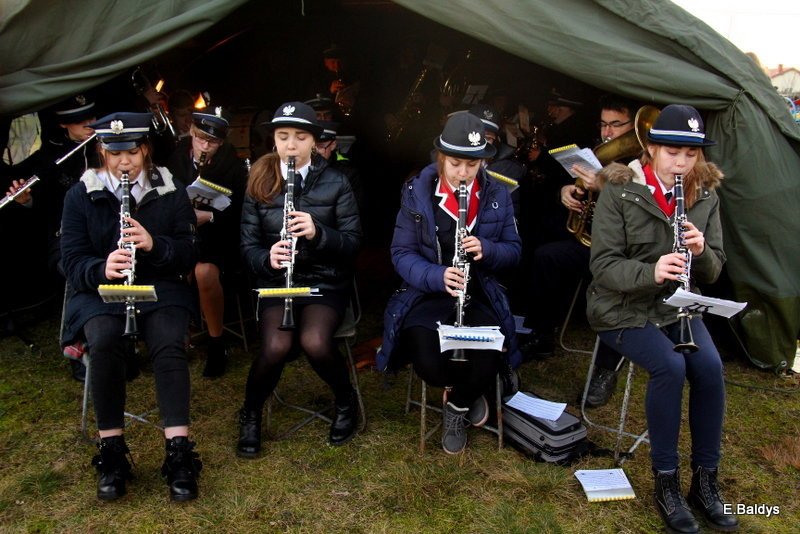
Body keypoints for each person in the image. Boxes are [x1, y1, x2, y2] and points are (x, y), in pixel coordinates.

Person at [589, 104, 738, 533]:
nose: (681, 163)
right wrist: (651, 272)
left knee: (709, 368)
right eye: (673, 152)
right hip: (620, 307)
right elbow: (603, 267)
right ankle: (666, 483)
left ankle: (705, 482)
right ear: (652, 148)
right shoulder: (620, 190)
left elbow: (714, 270)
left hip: (677, 306)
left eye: (691, 154)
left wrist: (700, 251)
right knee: (670, 366)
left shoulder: (705, 194)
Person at [59, 112, 202, 502]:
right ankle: (112, 452)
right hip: (102, 290)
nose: (125, 162)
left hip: (160, 286)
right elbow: (69, 260)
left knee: (169, 341)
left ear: (145, 150)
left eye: (133, 153)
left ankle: (179, 453)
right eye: (115, 154)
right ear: (101, 151)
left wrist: (155, 245)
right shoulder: (81, 194)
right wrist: (101, 267)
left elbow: (190, 251)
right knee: (104, 341)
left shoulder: (170, 188)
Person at [376, 112, 522, 455]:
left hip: (479, 292)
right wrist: (437, 275)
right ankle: (469, 389)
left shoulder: (498, 193)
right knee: (429, 363)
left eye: (473, 165)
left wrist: (487, 249)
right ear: (441, 157)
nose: (463, 173)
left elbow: (514, 251)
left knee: (487, 356)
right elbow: (401, 253)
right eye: (456, 164)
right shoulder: (416, 192)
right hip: (427, 294)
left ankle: (458, 406)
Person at [238, 101, 362, 456]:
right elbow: (247, 247)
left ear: (314, 141)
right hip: (278, 282)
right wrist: (268, 258)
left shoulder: (337, 181)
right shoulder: (260, 179)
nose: (290, 145)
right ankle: (250, 413)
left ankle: (346, 401)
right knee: (276, 346)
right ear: (274, 140)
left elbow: (353, 243)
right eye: (283, 136)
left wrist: (319, 233)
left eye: (300, 137)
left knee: (314, 341)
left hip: (325, 280)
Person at [523, 95, 641, 408]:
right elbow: (575, 190)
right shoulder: (597, 155)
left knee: (619, 289)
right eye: (603, 124)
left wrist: (608, 189)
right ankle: (541, 335)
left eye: (616, 125)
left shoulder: (644, 164)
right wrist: (565, 191)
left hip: (626, 254)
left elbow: (645, 211)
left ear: (633, 127)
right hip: (593, 245)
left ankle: (606, 369)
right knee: (546, 257)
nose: (608, 132)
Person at [4, 94, 99, 380]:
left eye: (92, 118)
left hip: (105, 233)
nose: (90, 125)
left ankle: (118, 343)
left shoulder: (106, 146)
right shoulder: (49, 157)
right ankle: (78, 347)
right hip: (66, 237)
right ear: (63, 124)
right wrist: (26, 201)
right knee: (76, 272)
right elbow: (42, 209)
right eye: (81, 121)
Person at [167, 107, 247, 377]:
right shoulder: (176, 158)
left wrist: (210, 216)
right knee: (176, 268)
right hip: (183, 234)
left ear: (221, 142)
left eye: (212, 142)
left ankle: (216, 343)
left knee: (204, 272)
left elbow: (241, 213)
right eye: (200, 138)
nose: (204, 146)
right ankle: (175, 335)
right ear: (191, 131)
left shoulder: (233, 166)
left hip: (218, 238)